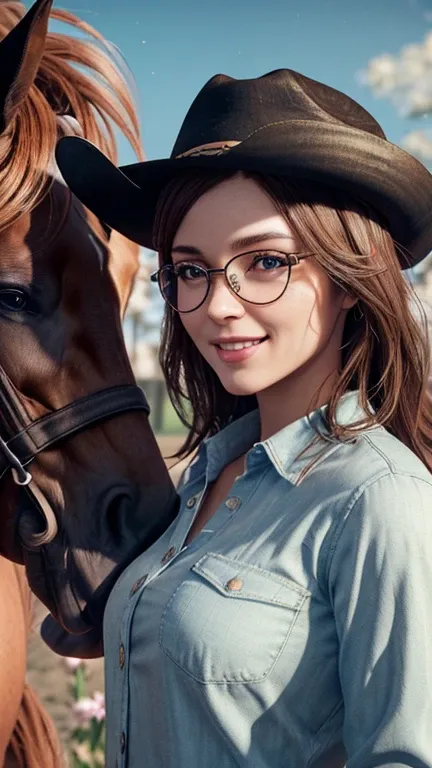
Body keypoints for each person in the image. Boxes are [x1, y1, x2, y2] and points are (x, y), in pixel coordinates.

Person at [56, 69, 432, 767]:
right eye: (191, 270)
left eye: (262, 262)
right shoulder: (199, 481)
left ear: (350, 279)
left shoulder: (379, 501)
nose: (218, 304)